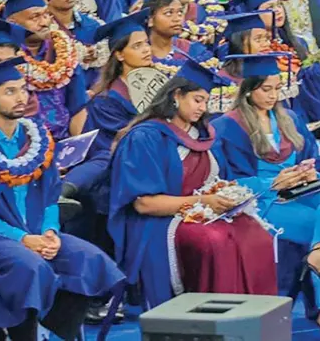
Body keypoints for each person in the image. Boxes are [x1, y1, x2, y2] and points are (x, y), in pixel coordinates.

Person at [0, 60, 125, 338]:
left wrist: (50, 231)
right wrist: (22, 238)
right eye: (10, 91)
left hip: (37, 230)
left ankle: (63, 332)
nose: (21, 97)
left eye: (23, 90)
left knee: (90, 259)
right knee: (30, 267)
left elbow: (50, 195)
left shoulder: (38, 140)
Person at [108, 56, 279, 309]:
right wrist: (202, 201)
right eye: (197, 100)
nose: (202, 108)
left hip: (205, 212)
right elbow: (144, 204)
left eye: (206, 101)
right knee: (213, 241)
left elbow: (220, 180)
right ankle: (215, 320)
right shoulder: (146, 137)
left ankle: (255, 322)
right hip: (160, 222)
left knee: (256, 234)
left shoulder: (205, 136)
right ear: (176, 95)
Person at [212, 54, 320, 341]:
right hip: (262, 201)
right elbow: (227, 180)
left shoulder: (289, 118)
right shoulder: (228, 126)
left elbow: (311, 158)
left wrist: (306, 173)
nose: (273, 95)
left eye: (277, 88)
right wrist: (272, 182)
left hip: (299, 192)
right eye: (266, 89)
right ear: (249, 88)